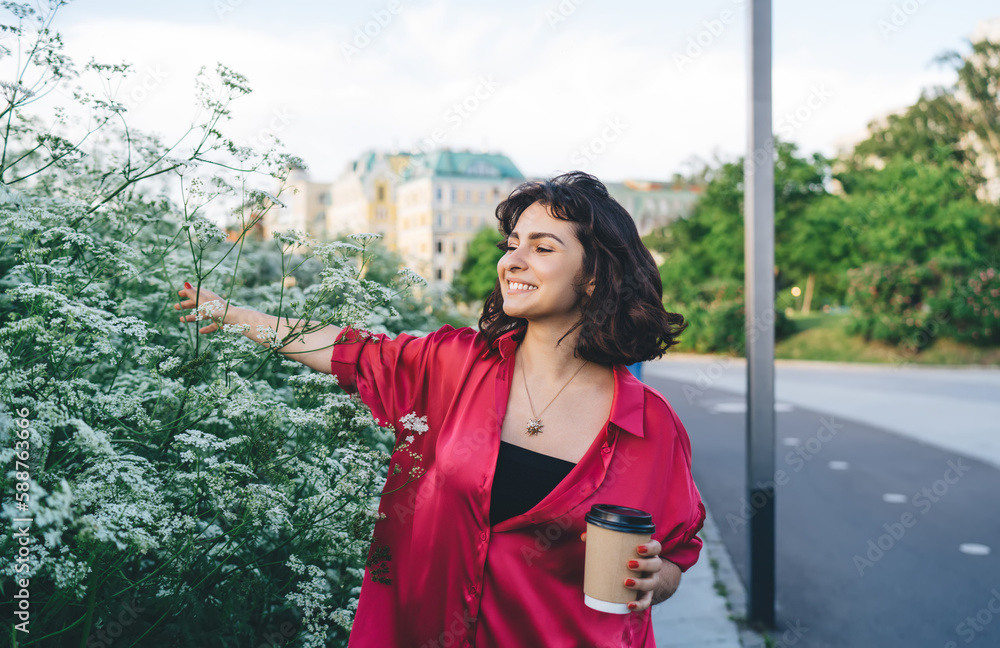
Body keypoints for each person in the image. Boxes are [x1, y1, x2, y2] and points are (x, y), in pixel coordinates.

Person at [176, 171, 706, 647]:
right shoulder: (454, 365)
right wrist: (230, 314)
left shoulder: (648, 426)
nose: (513, 260)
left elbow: (675, 554)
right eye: (513, 243)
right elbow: (350, 351)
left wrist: (656, 580)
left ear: (594, 276)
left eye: (543, 248)